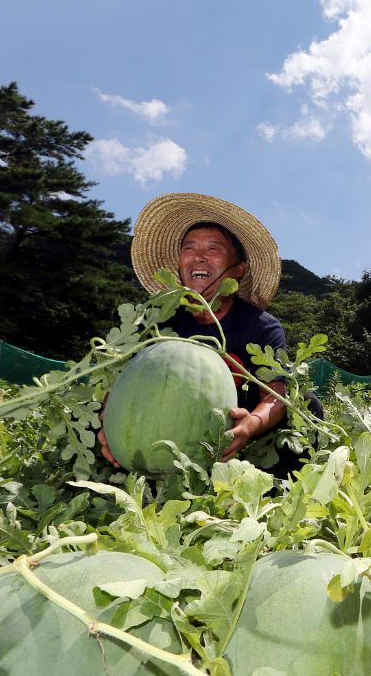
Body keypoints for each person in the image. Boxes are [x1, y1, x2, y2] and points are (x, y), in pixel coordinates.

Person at [97, 192, 323, 479]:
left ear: (238, 269)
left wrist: (251, 424)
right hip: (161, 423)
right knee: (91, 412)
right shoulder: (154, 322)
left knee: (306, 405)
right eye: (189, 249)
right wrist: (109, 417)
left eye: (213, 249)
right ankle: (135, 472)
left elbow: (275, 394)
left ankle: (278, 485)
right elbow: (122, 382)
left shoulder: (261, 327)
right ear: (179, 265)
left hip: (232, 430)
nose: (199, 257)